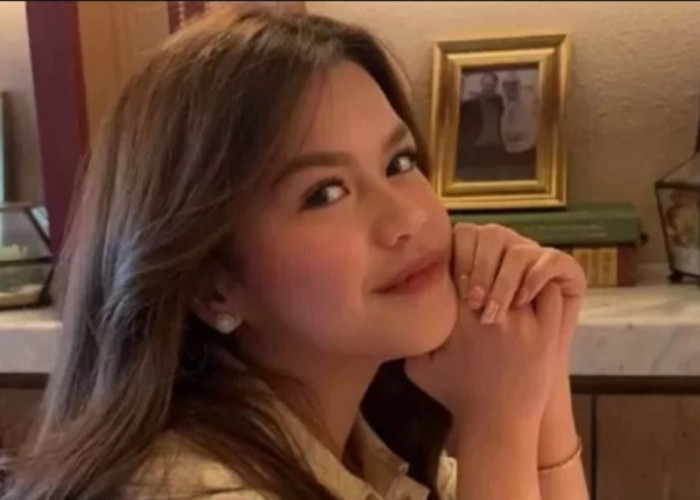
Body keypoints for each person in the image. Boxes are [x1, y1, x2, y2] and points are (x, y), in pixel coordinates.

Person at [1, 7, 589, 500]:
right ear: (214, 287)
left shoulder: (364, 451)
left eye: (399, 163)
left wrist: (538, 373)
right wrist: (498, 425)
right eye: (324, 193)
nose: (409, 218)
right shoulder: (189, 489)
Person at [456, 72, 506, 180]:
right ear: (481, 85)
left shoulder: (500, 103)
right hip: (477, 150)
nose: (488, 88)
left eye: (492, 85)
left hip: (495, 150)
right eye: (486, 85)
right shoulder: (470, 104)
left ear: (496, 86)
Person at [500, 70, 539, 178]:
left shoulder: (529, 102)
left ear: (518, 85)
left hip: (526, 153)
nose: (510, 88)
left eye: (514, 84)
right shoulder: (503, 104)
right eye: (507, 84)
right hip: (508, 153)